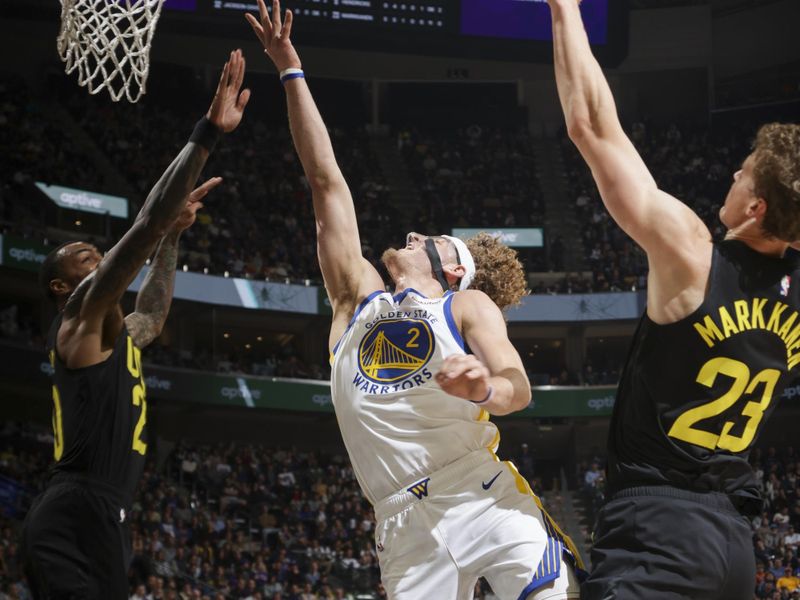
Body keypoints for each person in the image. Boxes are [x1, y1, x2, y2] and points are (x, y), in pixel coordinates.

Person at [246, 2, 582, 598]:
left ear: (452, 267)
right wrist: (290, 71)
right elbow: (325, 183)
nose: (409, 237)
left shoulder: (465, 307)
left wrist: (483, 388)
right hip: (401, 524)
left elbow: (517, 388)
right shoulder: (356, 303)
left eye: (424, 239)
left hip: (483, 495)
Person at [546, 1, 800, 598]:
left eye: (742, 174)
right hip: (736, 545)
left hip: (658, 529)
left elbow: (590, 125)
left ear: (757, 207)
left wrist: (564, 8)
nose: (732, 178)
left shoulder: (693, 252)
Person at [20, 50, 250, 599]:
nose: (95, 256)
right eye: (82, 255)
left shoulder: (115, 331)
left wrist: (171, 239)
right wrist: (207, 134)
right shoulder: (80, 315)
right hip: (73, 510)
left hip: (105, 513)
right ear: (60, 286)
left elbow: (152, 314)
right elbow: (146, 221)